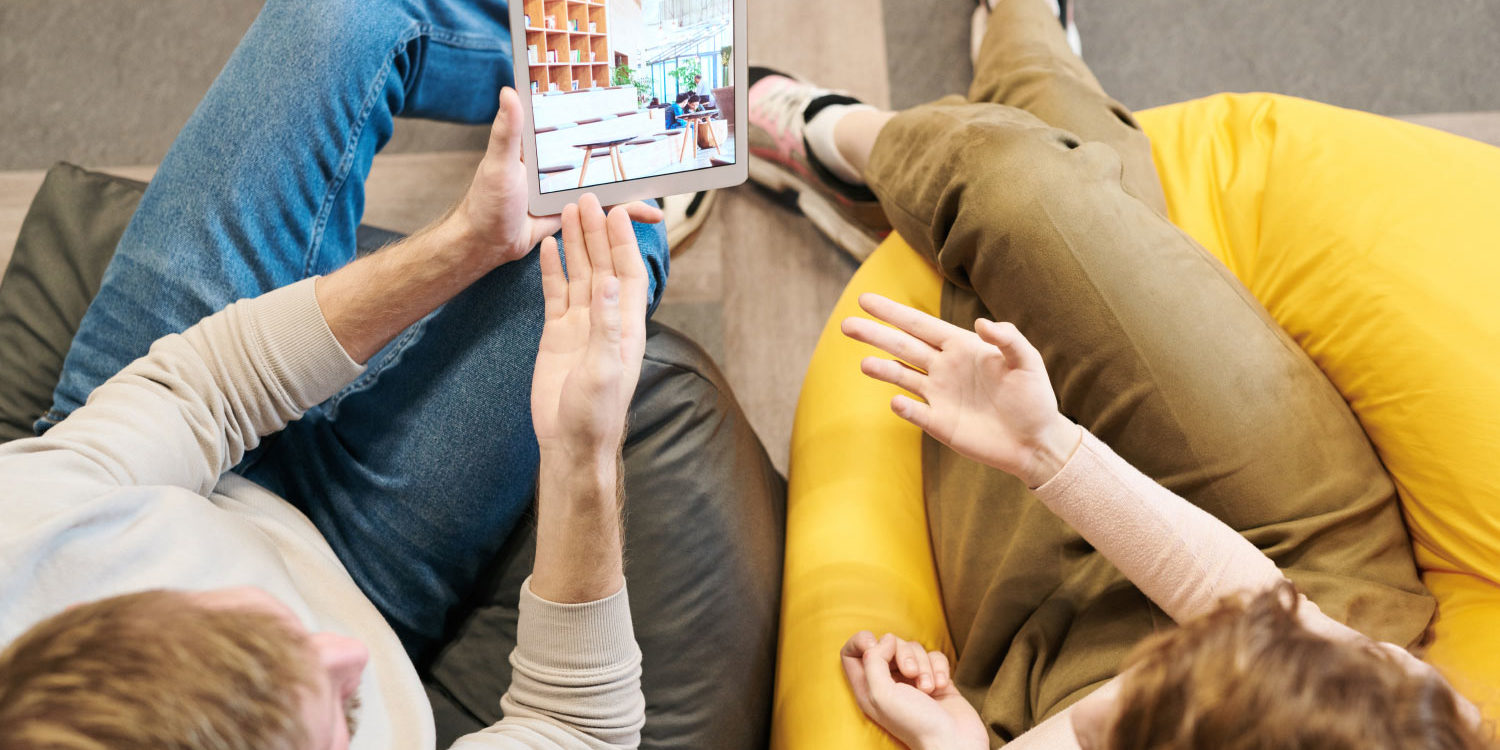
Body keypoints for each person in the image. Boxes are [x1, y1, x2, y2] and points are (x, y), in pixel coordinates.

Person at [744, 0, 1492, 747]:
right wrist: (1047, 449)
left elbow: (1099, 717)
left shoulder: (1120, 709)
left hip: (1049, 667)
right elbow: (1248, 602)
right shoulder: (1397, 716)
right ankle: (851, 134)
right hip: (1303, 569)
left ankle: (954, 107)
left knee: (1007, 262)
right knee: (1022, 192)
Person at [0, 0, 676, 745]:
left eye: (271, 629)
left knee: (339, 15)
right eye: (343, 716)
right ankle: (658, 106)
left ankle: (598, 68)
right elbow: (575, 729)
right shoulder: (356, 648)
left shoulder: (21, 547)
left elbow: (206, 388)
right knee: (608, 233)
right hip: (365, 576)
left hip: (145, 465)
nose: (345, 652)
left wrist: (466, 242)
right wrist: (584, 453)